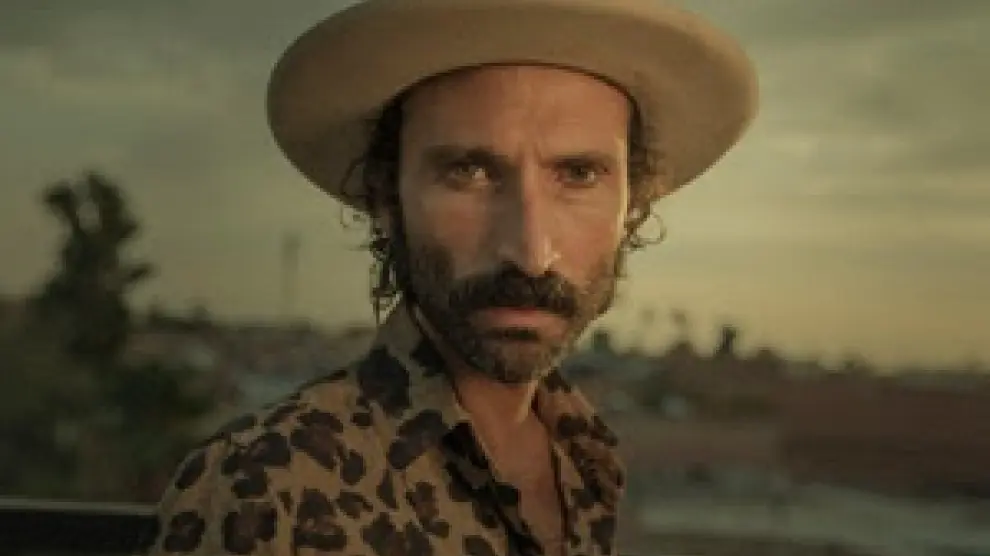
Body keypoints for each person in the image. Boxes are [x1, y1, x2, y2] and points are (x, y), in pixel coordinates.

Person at [144, 0, 757, 555]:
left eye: (578, 175)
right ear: (387, 197)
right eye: (469, 171)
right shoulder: (271, 486)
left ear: (633, 205)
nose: (531, 253)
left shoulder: (586, 459)